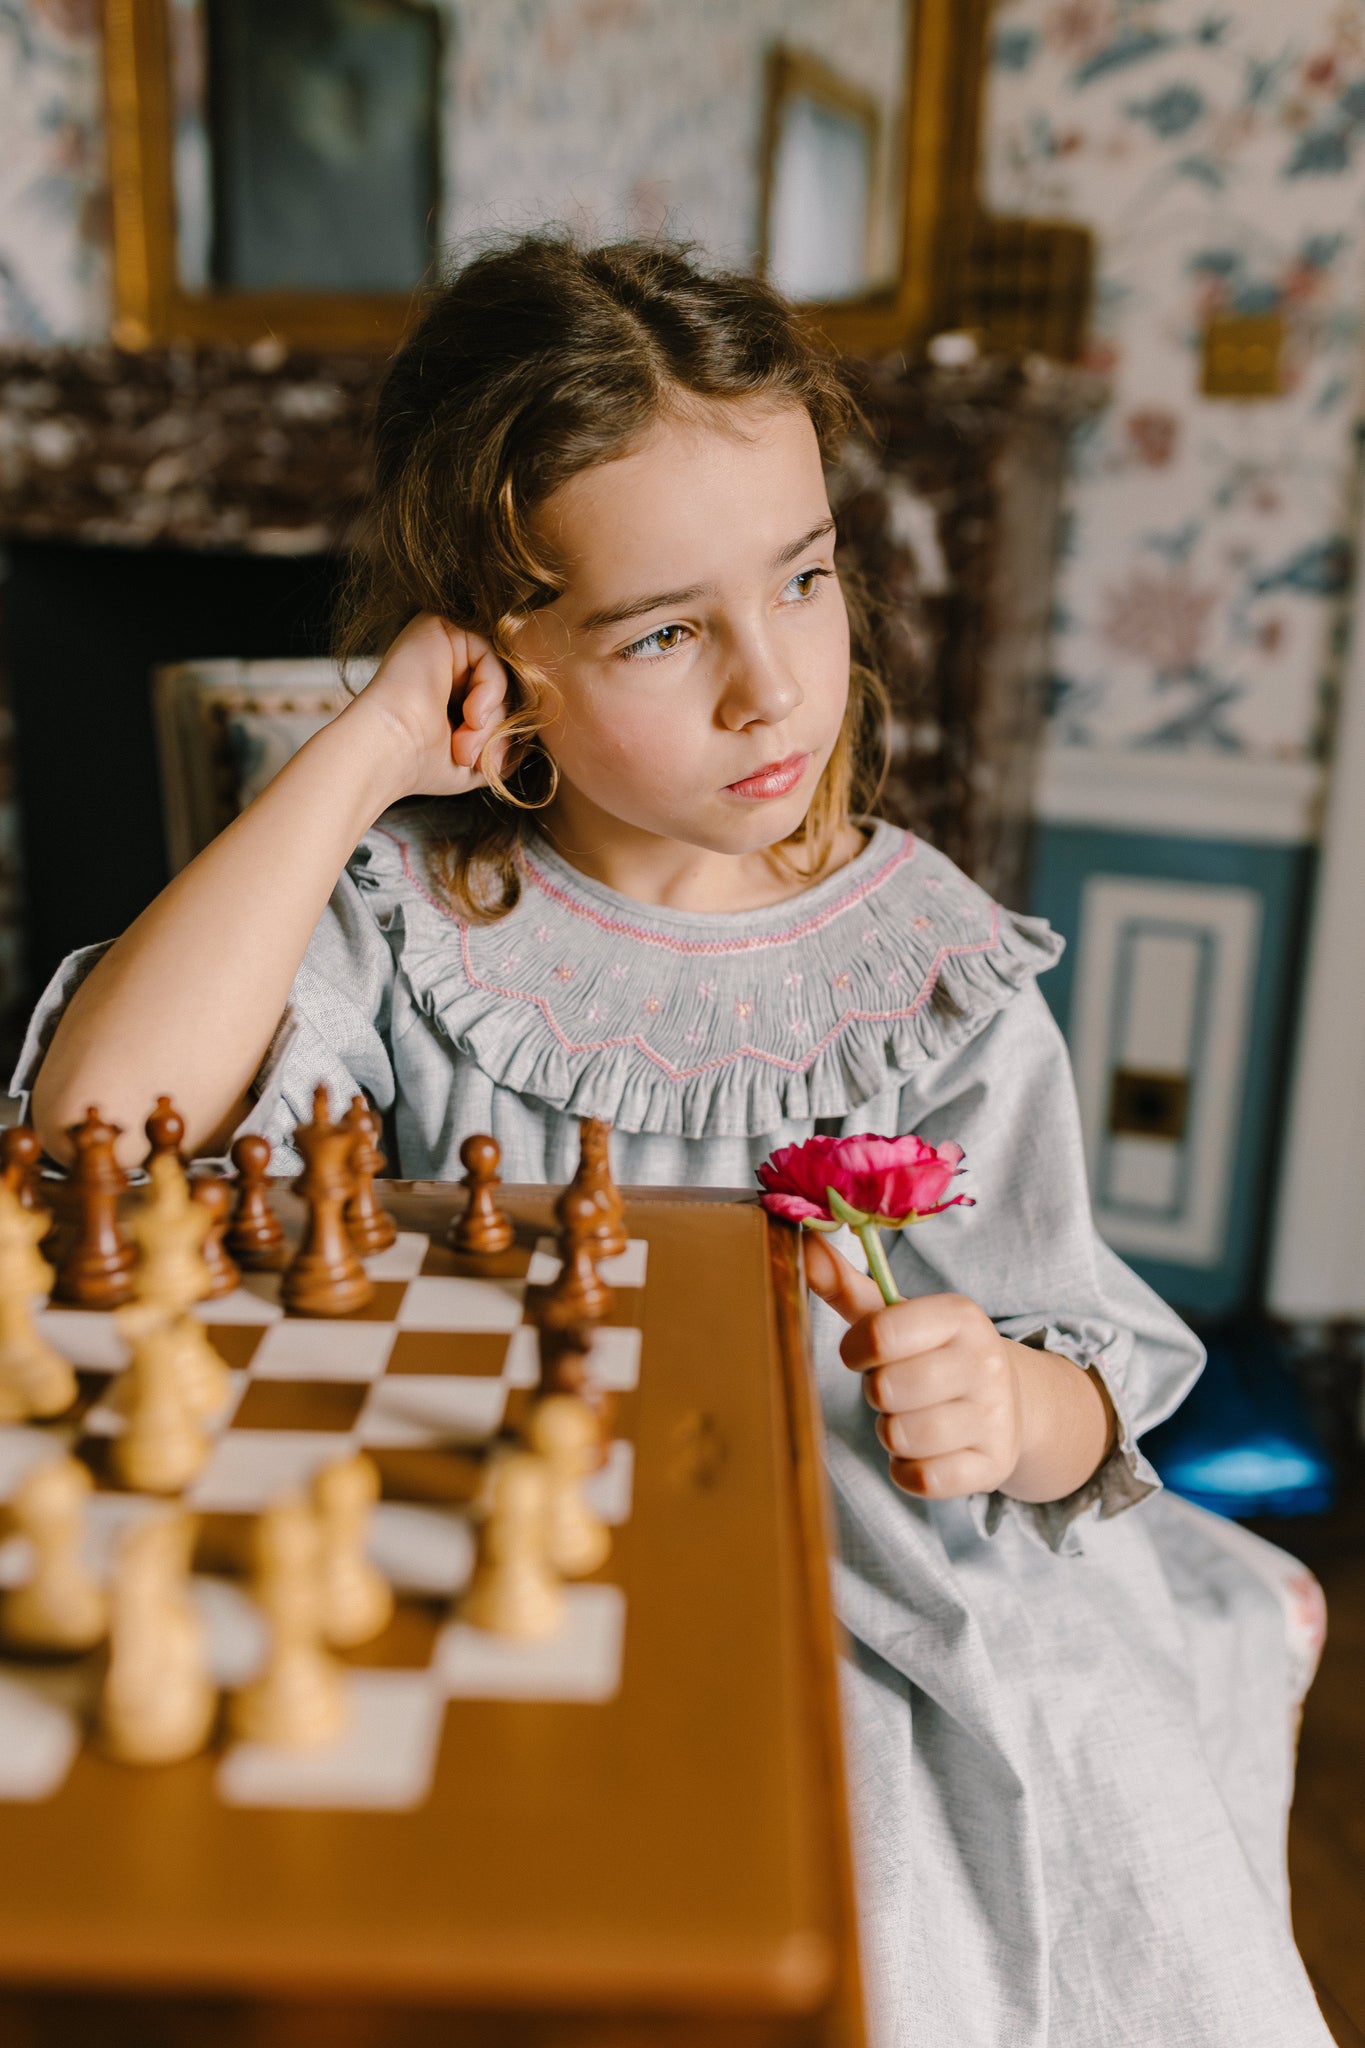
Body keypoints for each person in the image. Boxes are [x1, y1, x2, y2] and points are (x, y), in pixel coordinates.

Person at [16, 236, 1331, 2046]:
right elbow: (102, 1139)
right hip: (489, 1554)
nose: (771, 686)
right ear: (504, 657)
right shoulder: (409, 919)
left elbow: (1077, 1356)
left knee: (890, 1932)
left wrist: (1015, 1405)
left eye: (801, 580)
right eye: (661, 632)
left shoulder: (924, 971)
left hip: (854, 1581)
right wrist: (372, 741)